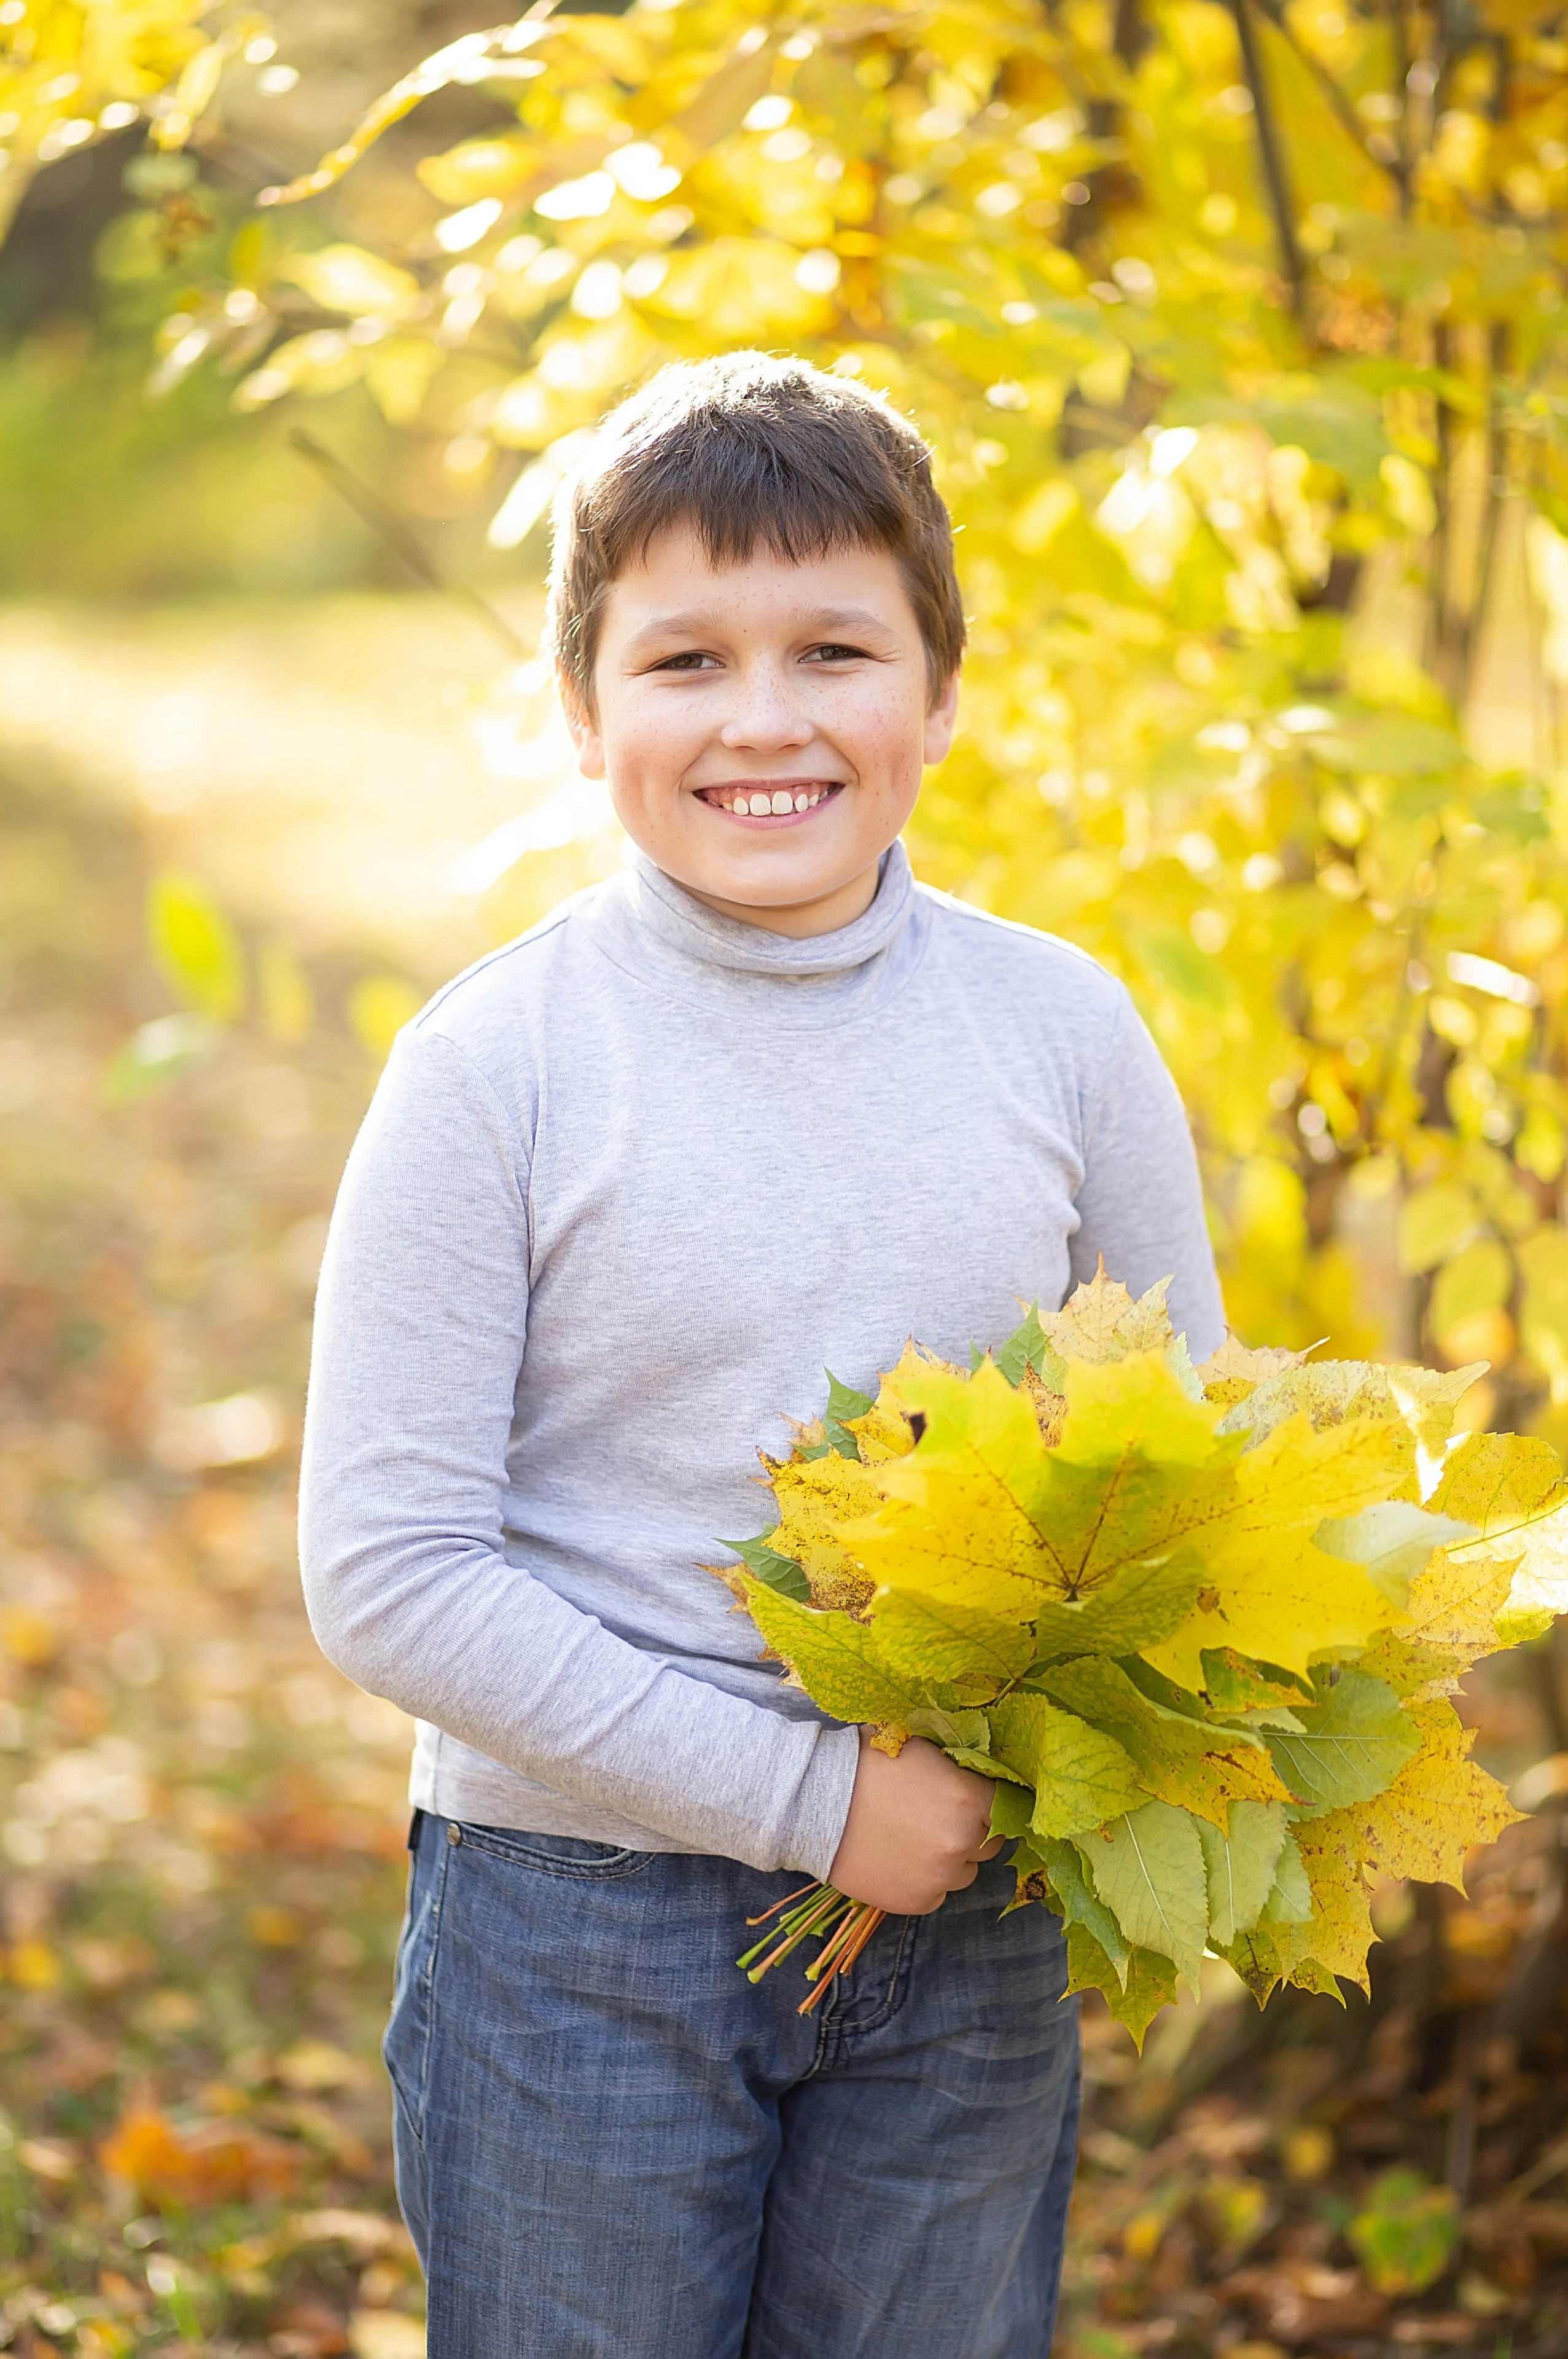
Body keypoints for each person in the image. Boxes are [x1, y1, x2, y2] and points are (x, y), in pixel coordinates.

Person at [298, 350, 1225, 2358]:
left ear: (942, 690)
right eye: (686, 662)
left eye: (835, 647)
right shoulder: (498, 1067)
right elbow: (391, 1571)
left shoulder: (1064, 1036)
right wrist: (814, 1806)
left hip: (970, 1923)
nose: (769, 721)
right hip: (578, 1928)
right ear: (580, 710)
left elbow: (1186, 1465)